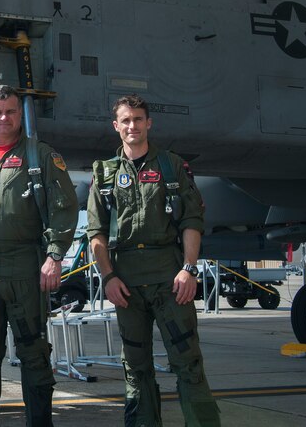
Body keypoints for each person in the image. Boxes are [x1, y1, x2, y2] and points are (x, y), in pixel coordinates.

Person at [86, 94, 220, 426]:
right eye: (126, 120)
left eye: (138, 119)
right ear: (116, 126)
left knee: (188, 363)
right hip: (126, 285)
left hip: (171, 281)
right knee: (136, 368)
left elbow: (191, 221)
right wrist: (108, 277)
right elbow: (96, 233)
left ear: (149, 123)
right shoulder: (104, 173)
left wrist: (189, 270)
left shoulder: (170, 166)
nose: (133, 125)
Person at [0, 85, 78, 427]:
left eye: (9, 111)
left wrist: (54, 256)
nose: (3, 118)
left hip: (26, 269)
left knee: (34, 356)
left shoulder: (42, 157)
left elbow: (65, 210)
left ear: (19, 115)